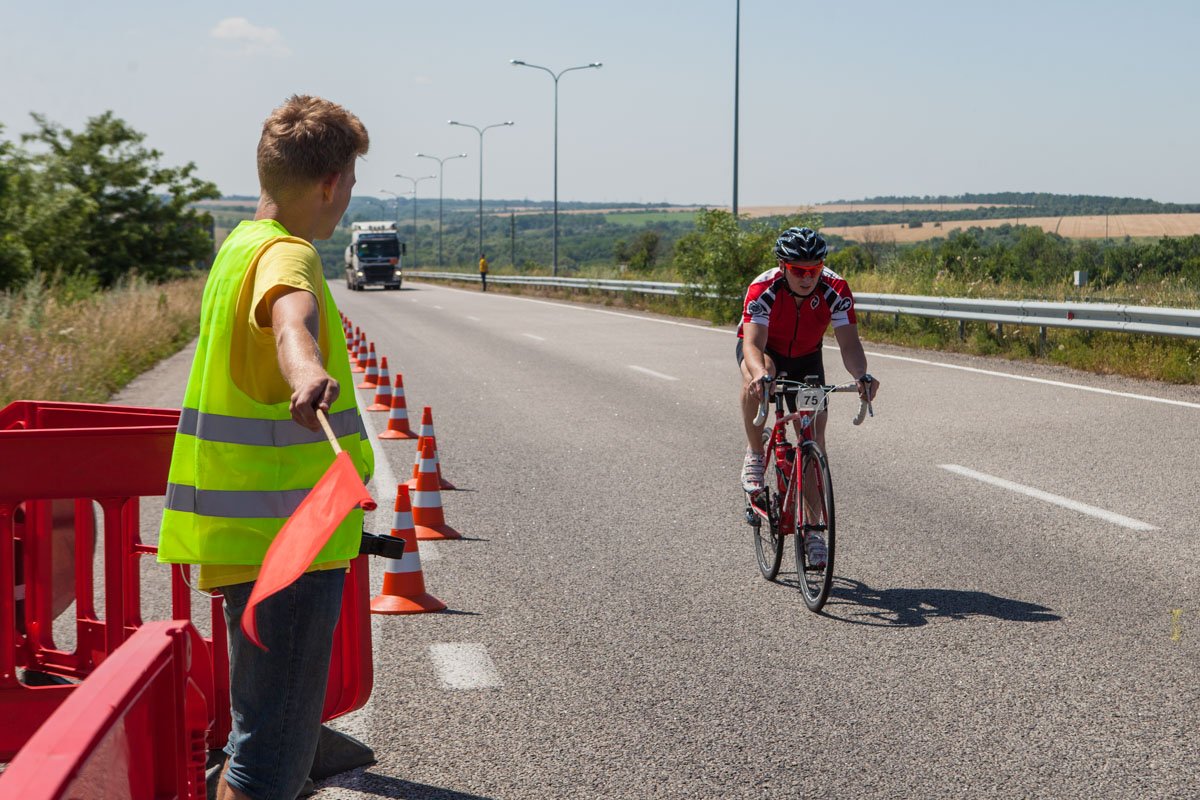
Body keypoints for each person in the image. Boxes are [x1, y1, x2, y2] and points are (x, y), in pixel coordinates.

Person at [157, 95, 375, 800]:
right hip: (290, 539)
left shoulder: (239, 247)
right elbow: (291, 319)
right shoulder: (290, 257)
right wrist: (307, 369)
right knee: (268, 761)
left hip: (248, 536)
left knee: (267, 734)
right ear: (330, 184)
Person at [737, 227, 879, 567]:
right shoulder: (763, 287)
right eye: (799, 270)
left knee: (814, 440)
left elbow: (849, 345)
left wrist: (861, 376)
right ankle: (756, 452)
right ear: (783, 266)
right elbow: (753, 345)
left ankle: (814, 531)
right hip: (765, 352)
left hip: (807, 358)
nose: (806, 277)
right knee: (756, 379)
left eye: (813, 269)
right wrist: (760, 375)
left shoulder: (836, 288)